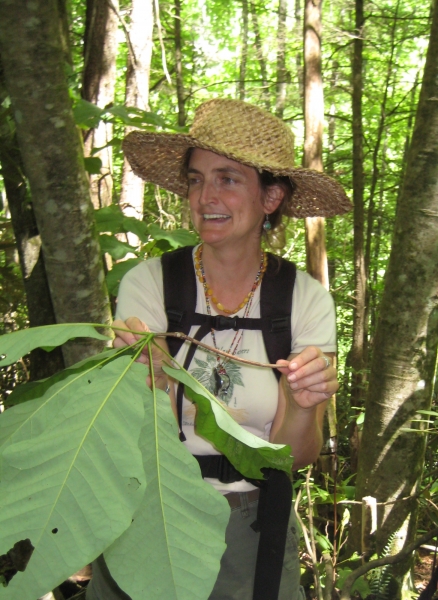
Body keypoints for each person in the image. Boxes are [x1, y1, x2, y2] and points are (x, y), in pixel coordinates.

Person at [86, 99, 351, 600]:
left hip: (251, 526)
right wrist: (154, 378)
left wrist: (302, 400)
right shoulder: (151, 283)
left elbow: (293, 458)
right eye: (195, 178)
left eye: (228, 178)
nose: (204, 195)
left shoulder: (304, 300)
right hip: (149, 509)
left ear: (271, 197)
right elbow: (142, 441)